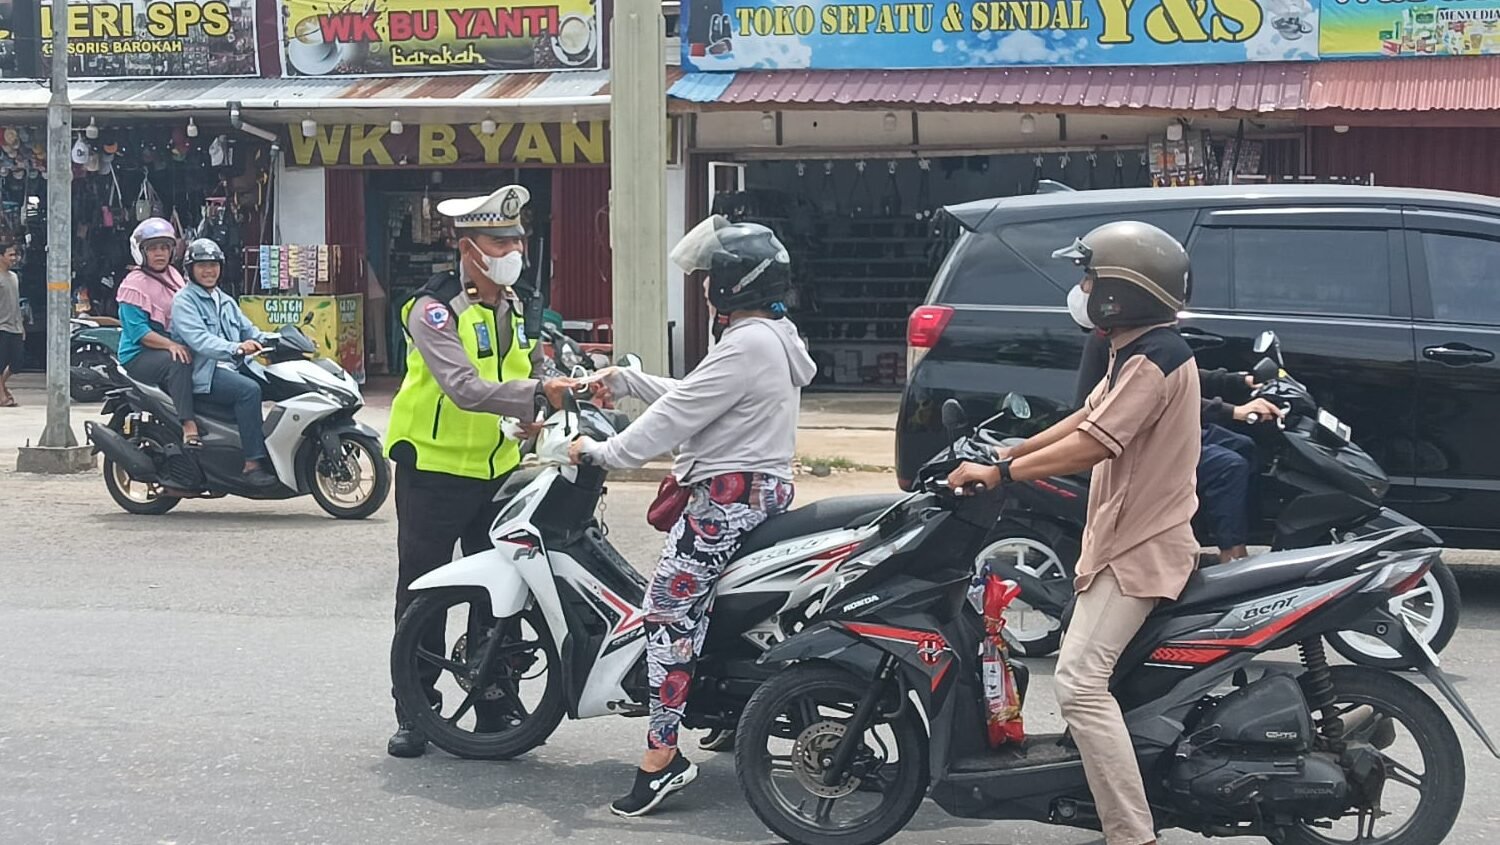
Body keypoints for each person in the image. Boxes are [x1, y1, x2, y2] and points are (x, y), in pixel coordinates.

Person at [948, 220, 1201, 845]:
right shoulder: (1137, 351)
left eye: (1089, 278)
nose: (1081, 290)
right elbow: (1084, 418)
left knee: (1079, 685)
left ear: (1120, 292)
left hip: (1139, 549)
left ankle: (1132, 834)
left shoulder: (1154, 359)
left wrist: (1003, 473)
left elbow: (1094, 443)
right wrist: (1010, 449)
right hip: (1126, 540)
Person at [569, 214, 815, 818]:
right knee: (715, 607)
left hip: (723, 506)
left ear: (732, 285)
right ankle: (730, 713)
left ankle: (662, 756)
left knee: (667, 615)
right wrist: (627, 380)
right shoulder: (773, 335)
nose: (704, 286)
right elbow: (696, 395)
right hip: (759, 493)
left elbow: (674, 420)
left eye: (710, 277)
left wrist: (603, 452)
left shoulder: (746, 344)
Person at [383, 185, 575, 759]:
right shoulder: (434, 308)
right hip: (434, 470)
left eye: (518, 239)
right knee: (424, 593)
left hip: (498, 471)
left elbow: (524, 370)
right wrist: (538, 393)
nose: (515, 249)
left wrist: (534, 415)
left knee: (501, 592)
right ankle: (416, 708)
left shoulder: (518, 304)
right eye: (500, 241)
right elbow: (464, 388)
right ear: (468, 249)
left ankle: (494, 698)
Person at [1074, 331, 1282, 562]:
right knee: (1229, 467)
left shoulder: (1153, 334)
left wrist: (1239, 381)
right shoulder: (1118, 340)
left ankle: (1215, 529)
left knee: (1245, 446)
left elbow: (1182, 376)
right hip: (1143, 439)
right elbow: (1163, 397)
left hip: (1169, 427)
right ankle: (1232, 553)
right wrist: (1233, 411)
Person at [170, 238, 277, 487]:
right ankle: (252, 463)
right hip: (204, 373)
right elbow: (200, 340)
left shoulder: (225, 300)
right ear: (190, 270)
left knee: (279, 383)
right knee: (249, 391)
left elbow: (250, 331)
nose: (209, 271)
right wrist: (236, 348)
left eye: (213, 265)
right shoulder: (184, 301)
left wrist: (283, 339)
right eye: (202, 266)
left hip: (234, 366)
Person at [116, 219, 198, 442]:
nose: (159, 253)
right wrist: (171, 345)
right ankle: (188, 423)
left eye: (164, 247)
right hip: (138, 355)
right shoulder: (133, 285)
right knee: (179, 361)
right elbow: (139, 333)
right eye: (153, 248)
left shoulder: (175, 276)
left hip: (168, 346)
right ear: (141, 252)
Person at [0, 239, 23, 407]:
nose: (14, 258)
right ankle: (2, 396)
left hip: (15, 326)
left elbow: (16, 302)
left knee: (17, 363)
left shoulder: (14, 277)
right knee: (0, 363)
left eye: (15, 255)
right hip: (1, 326)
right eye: (11, 255)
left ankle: (2, 386)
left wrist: (21, 325)